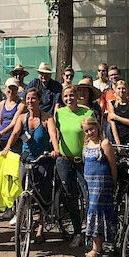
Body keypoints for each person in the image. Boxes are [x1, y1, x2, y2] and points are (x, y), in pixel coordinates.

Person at [1, 87, 60, 241]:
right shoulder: (22, 118)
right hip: (26, 158)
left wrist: (55, 149)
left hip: (43, 158)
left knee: (42, 193)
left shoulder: (47, 118)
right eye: (28, 98)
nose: (30, 101)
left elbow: (53, 135)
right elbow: (14, 134)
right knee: (21, 190)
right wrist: (7, 147)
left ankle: (40, 227)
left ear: (39, 100)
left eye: (33, 98)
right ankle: (21, 227)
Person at [54, 85, 93, 247]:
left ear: (77, 96)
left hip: (83, 161)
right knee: (71, 198)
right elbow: (56, 135)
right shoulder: (59, 113)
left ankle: (92, 234)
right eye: (66, 96)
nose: (69, 98)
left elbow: (93, 135)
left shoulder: (87, 113)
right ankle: (77, 232)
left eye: (72, 95)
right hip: (64, 161)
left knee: (89, 197)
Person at [81, 115, 117, 257]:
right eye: (86, 131)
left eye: (91, 129)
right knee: (96, 211)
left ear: (97, 127)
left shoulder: (105, 143)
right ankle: (102, 244)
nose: (90, 133)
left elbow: (112, 165)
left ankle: (96, 247)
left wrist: (114, 182)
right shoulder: (87, 144)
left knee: (95, 210)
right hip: (89, 183)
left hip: (102, 182)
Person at [0, 77, 25, 154]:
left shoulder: (21, 105)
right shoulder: (2, 104)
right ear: (5, 89)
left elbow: (14, 123)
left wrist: (1, 133)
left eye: (14, 89)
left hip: (14, 140)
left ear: (17, 90)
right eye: (9, 88)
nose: (11, 91)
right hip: (1, 139)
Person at [106, 80, 129, 145]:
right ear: (115, 90)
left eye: (123, 88)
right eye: (119, 88)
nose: (121, 91)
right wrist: (118, 142)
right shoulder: (112, 103)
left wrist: (116, 117)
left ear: (127, 90)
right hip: (117, 136)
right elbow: (113, 123)